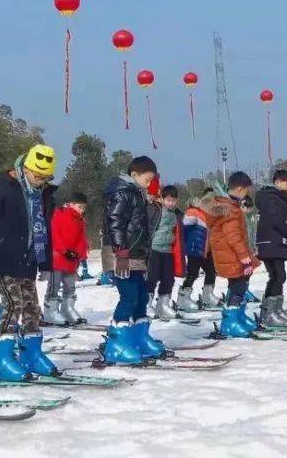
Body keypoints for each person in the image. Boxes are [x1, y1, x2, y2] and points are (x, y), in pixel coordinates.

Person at [0, 145, 58, 381]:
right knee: (12, 306)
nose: (40, 181)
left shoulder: (43, 194)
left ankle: (31, 354)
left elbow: (45, 230)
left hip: (28, 259)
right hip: (2, 258)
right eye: (37, 176)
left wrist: (47, 263)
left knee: (32, 307)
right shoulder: (4, 188)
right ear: (26, 168)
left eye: (45, 177)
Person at [101, 156, 161, 365]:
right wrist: (121, 253)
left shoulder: (137, 194)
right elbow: (115, 223)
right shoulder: (121, 192)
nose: (149, 183)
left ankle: (138, 338)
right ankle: (116, 343)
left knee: (141, 296)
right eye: (147, 179)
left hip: (135, 254)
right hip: (121, 254)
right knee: (128, 296)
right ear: (134, 174)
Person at [203, 172, 259, 337]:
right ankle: (230, 323)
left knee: (237, 286)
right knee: (238, 287)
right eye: (246, 191)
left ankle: (237, 317)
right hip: (233, 256)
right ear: (240, 189)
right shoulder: (231, 210)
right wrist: (244, 257)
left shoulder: (227, 206)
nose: (247, 194)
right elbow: (233, 237)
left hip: (229, 255)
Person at [255, 169, 287, 326]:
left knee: (278, 276)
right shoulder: (272, 197)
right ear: (278, 182)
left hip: (274, 241)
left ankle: (275, 310)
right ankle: (268, 313)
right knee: (278, 276)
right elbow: (276, 220)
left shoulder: (277, 197)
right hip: (271, 241)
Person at [44, 192, 90, 325]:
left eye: (83, 208)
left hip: (72, 259)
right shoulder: (60, 214)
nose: (81, 210)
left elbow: (82, 239)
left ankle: (67, 308)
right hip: (58, 257)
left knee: (70, 285)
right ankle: (50, 311)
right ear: (70, 204)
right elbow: (54, 234)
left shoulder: (80, 220)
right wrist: (64, 250)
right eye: (79, 207)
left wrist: (81, 254)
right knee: (54, 284)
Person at [146, 184, 183, 321]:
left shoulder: (177, 214)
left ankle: (163, 305)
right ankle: (146, 304)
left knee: (169, 278)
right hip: (154, 249)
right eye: (168, 200)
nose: (171, 203)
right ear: (162, 199)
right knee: (152, 277)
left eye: (173, 200)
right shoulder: (156, 210)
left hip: (168, 250)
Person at [178, 189, 217, 311]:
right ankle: (183, 298)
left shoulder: (210, 215)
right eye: (207, 201)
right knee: (193, 273)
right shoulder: (194, 212)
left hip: (206, 250)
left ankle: (207, 295)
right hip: (195, 249)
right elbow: (184, 225)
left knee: (211, 270)